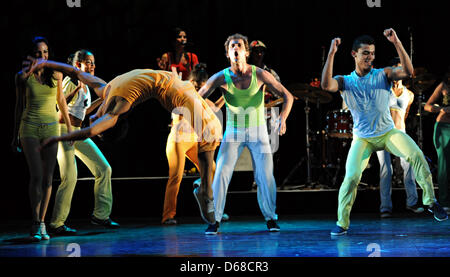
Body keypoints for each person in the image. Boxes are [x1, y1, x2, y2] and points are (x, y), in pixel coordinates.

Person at [29, 57, 222, 227]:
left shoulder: (105, 89)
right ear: (108, 127)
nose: (94, 116)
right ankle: (206, 194)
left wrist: (46, 63)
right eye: (99, 124)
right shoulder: (118, 109)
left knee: (210, 128)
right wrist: (58, 137)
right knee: (210, 132)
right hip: (171, 92)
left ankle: (204, 190)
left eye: (95, 117)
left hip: (176, 83)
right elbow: (89, 131)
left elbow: (74, 71)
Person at [321, 29, 448, 236]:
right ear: (354, 54)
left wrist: (397, 42)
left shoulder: (384, 74)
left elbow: (408, 72)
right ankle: (342, 223)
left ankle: (430, 202)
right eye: (365, 53)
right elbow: (327, 85)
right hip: (363, 138)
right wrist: (331, 53)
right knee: (351, 178)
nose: (369, 57)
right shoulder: (345, 81)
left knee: (416, 155)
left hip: (388, 133)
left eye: (372, 53)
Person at [198, 33, 294, 235]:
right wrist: (201, 120)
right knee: (222, 174)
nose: (235, 49)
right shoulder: (221, 77)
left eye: (239, 46)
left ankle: (271, 218)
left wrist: (282, 117)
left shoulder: (259, 74)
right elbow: (196, 99)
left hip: (258, 131)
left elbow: (288, 96)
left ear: (246, 52)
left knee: (265, 175)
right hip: (233, 131)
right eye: (232, 46)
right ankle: (214, 220)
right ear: (227, 53)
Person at [49, 50, 119, 236]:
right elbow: (60, 104)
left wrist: (101, 100)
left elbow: (84, 111)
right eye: (88, 62)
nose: (92, 66)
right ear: (77, 64)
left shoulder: (87, 86)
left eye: (93, 62)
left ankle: (101, 216)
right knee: (70, 177)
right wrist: (75, 91)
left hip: (79, 133)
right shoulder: (69, 81)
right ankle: (57, 223)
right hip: (64, 131)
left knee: (104, 169)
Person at [12, 36, 72, 242]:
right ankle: (35, 221)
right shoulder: (22, 77)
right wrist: (14, 136)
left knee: (48, 177)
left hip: (51, 128)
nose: (42, 56)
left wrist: (70, 129)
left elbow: (62, 102)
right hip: (29, 127)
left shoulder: (55, 74)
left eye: (45, 52)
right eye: (38, 52)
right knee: (36, 175)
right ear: (31, 55)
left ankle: (42, 222)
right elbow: (18, 107)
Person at [162, 63, 225, 225]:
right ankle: (168, 215)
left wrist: (228, 93)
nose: (198, 90)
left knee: (212, 169)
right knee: (175, 175)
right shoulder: (181, 94)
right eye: (195, 86)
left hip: (193, 141)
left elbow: (216, 106)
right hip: (177, 140)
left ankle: (205, 192)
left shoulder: (201, 99)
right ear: (189, 83)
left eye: (201, 87)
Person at [376, 57, 424, 218]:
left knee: (408, 167)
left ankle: (411, 203)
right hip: (383, 134)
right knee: (386, 170)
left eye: (400, 71)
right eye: (395, 71)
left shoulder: (409, 95)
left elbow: (405, 115)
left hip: (400, 134)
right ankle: (385, 207)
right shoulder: (383, 90)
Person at [424, 66, 450, 213]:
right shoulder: (444, 85)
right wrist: (440, 108)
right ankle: (445, 201)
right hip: (444, 127)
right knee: (444, 165)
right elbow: (427, 106)